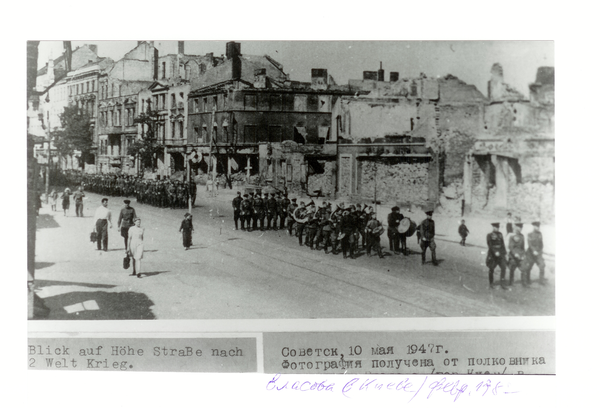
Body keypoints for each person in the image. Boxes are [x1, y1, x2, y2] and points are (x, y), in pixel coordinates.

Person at [486, 222, 508, 290]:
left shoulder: (500, 234)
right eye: (495, 227)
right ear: (493, 227)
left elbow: (502, 244)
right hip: (493, 255)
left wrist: (505, 253)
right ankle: (491, 283)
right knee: (491, 268)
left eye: (498, 227)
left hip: (500, 255)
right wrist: (495, 252)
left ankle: (502, 283)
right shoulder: (489, 235)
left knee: (503, 267)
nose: (497, 229)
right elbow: (490, 245)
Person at [508, 222, 527, 287]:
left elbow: (523, 247)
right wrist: (515, 254)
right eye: (518, 227)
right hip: (513, 256)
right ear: (516, 228)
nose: (520, 229)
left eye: (521, 228)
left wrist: (524, 255)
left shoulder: (522, 236)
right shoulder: (512, 236)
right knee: (512, 269)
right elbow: (511, 247)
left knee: (524, 269)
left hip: (520, 255)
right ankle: (511, 282)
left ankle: (524, 283)